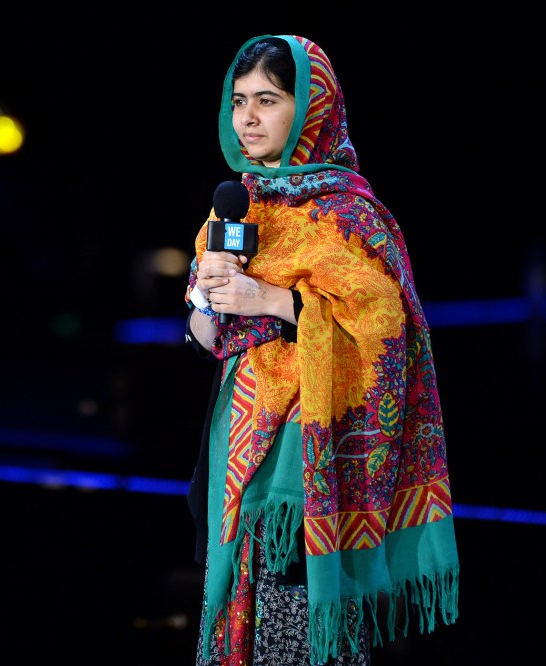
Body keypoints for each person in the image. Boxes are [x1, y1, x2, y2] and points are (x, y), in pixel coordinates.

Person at [183, 35, 459, 665]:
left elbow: (389, 337)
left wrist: (273, 300)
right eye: (239, 101)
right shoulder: (234, 212)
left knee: (300, 641)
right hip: (237, 470)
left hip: (315, 473)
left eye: (268, 100)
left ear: (311, 109)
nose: (248, 118)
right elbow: (205, 342)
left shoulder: (353, 217)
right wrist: (208, 296)